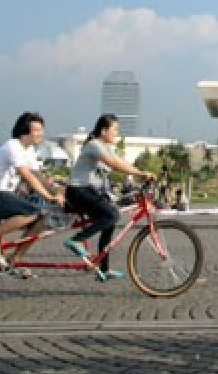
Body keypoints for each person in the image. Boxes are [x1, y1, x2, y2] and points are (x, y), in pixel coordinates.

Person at [0, 112, 63, 274]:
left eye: (42, 130)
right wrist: (47, 196)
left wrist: (59, 192)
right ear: (24, 131)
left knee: (40, 220)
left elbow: (38, 176)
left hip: (3, 195)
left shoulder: (29, 150)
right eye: (37, 130)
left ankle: (14, 260)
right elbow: (26, 175)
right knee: (32, 212)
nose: (41, 134)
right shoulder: (12, 146)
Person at [63, 114, 152, 280]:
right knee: (112, 215)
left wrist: (140, 173)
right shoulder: (94, 144)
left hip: (90, 192)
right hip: (78, 191)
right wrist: (140, 173)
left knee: (110, 221)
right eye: (115, 130)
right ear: (103, 131)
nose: (117, 134)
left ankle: (103, 269)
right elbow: (113, 164)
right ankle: (76, 240)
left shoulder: (106, 147)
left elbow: (120, 161)